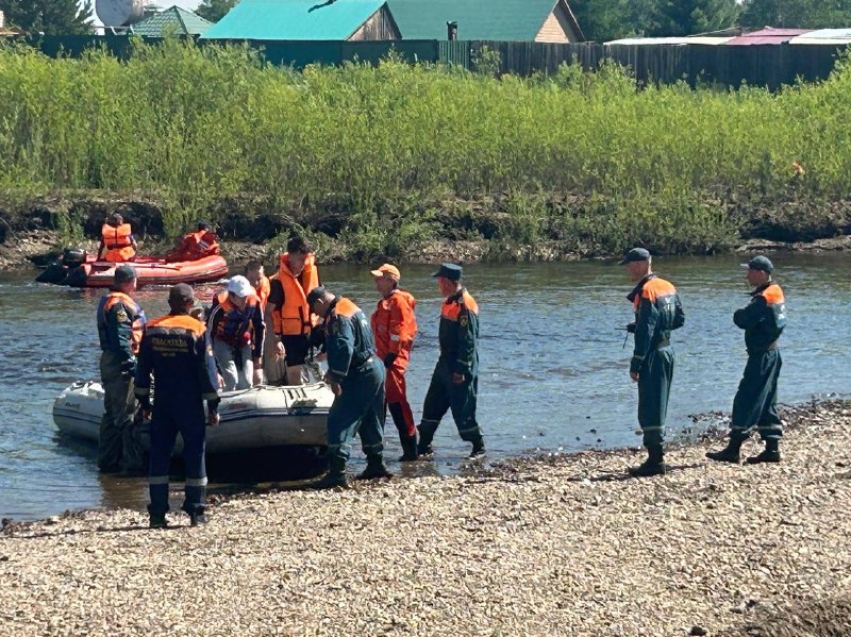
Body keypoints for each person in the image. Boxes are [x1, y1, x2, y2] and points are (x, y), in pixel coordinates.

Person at [134, 284, 220, 528]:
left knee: (159, 455)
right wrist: (213, 406)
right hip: (189, 402)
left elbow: (142, 372)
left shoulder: (152, 329)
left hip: (163, 402)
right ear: (189, 304)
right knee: (195, 453)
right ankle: (195, 511)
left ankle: (157, 514)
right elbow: (207, 371)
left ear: (170, 303)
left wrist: (143, 403)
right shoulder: (197, 329)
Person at [307, 285, 390, 488]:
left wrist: (335, 376)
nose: (316, 315)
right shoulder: (349, 305)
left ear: (319, 303)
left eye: (314, 310)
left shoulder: (337, 317)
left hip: (359, 373)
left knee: (340, 418)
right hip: (375, 366)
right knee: (370, 417)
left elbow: (344, 346)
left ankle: (337, 472)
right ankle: (376, 464)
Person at [707, 255, 786, 465]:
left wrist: (738, 313)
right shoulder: (776, 291)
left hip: (761, 355)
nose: (747, 275)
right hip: (773, 353)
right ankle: (772, 447)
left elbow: (743, 319)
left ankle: (733, 448)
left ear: (760, 273)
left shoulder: (763, 298)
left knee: (746, 398)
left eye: (750, 271)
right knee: (768, 399)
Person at [620, 248, 685, 478]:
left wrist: (636, 363)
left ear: (641, 264)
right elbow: (679, 319)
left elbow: (645, 332)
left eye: (629, 264)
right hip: (667, 350)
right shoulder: (667, 286)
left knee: (649, 405)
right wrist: (657, 327)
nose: (627, 268)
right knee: (660, 402)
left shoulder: (646, 291)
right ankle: (656, 457)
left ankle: (655, 460)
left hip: (653, 355)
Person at [417, 263, 485, 460]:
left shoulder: (465, 304)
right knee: (432, 403)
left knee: (462, 407)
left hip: (459, 365)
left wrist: (461, 369)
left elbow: (469, 341)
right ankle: (424, 445)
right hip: (444, 362)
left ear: (447, 282)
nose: (438, 285)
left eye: (439, 281)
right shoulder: (449, 302)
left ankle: (478, 446)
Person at [96, 265, 147, 474]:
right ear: (130, 281)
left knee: (112, 414)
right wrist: (132, 366)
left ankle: (107, 462)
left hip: (111, 362)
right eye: (135, 281)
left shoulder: (110, 299)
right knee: (127, 415)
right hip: (120, 364)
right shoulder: (119, 305)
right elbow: (121, 339)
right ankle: (131, 466)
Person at [369, 263, 419, 461]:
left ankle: (410, 451)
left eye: (379, 278)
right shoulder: (386, 302)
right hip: (383, 362)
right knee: (380, 404)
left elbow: (400, 333)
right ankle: (375, 449)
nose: (376, 282)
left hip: (392, 364)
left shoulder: (397, 302)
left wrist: (389, 358)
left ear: (390, 280)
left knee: (397, 404)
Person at [267, 237, 322, 386]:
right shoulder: (278, 282)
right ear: (289, 256)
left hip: (313, 327)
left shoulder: (311, 271)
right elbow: (268, 312)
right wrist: (275, 340)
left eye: (305, 259)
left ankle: (316, 366)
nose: (303, 264)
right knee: (294, 369)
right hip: (291, 333)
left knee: (335, 346)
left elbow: (322, 300)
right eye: (299, 259)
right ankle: (296, 395)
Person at [207, 275, 265, 391]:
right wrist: (213, 364)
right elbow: (209, 333)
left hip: (243, 339)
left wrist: (258, 356)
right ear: (232, 296)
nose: (245, 300)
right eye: (241, 296)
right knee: (231, 380)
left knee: (248, 382)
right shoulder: (219, 308)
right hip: (222, 340)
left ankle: (247, 400)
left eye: (246, 296)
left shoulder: (254, 303)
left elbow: (259, 328)